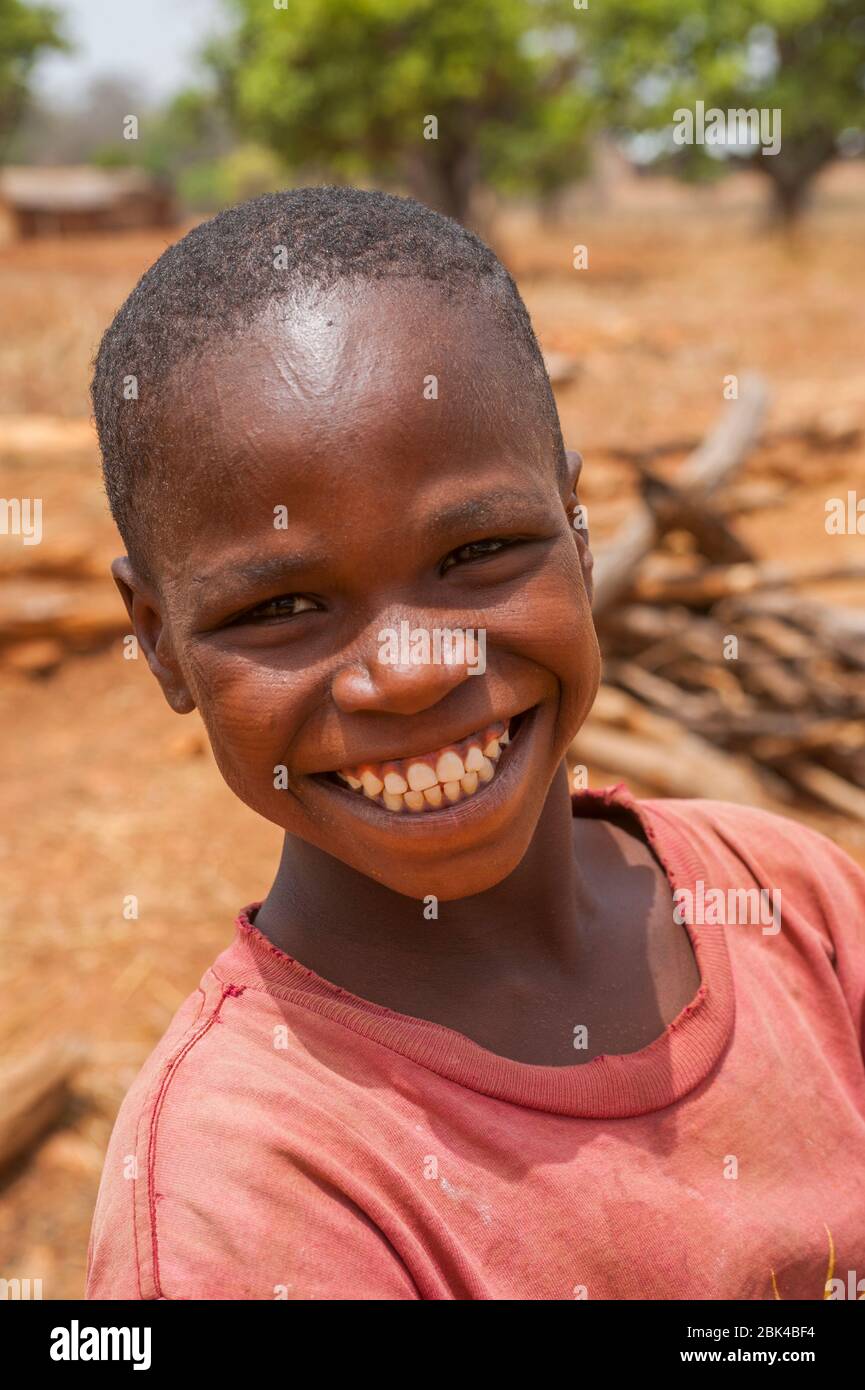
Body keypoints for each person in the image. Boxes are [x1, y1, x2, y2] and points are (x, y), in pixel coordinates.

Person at [86, 187, 865, 1300]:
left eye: (480, 550)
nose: (409, 670)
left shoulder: (791, 901)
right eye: (281, 608)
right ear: (159, 643)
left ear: (579, 532)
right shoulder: (243, 1198)